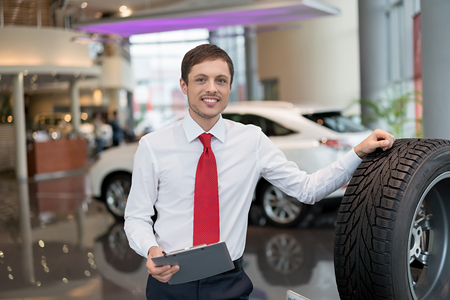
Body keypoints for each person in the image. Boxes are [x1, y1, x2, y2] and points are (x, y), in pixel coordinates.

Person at [124, 44, 395, 300]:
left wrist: (357, 153)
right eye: (200, 79)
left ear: (230, 86)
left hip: (228, 282)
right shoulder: (153, 146)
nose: (211, 89)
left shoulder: (251, 140)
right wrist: (150, 250)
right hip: (170, 281)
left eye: (221, 80)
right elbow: (136, 217)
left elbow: (307, 189)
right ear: (183, 85)